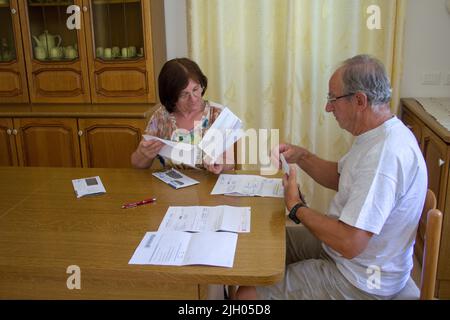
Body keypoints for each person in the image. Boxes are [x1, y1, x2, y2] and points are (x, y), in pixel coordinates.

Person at [235, 54, 427, 299]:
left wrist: (296, 207)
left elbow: (350, 242)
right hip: (346, 254)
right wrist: (302, 156)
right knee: (261, 245)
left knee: (246, 296)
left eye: (333, 99)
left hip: (359, 279)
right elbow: (341, 177)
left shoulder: (385, 156)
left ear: (359, 100)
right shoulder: (377, 134)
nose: (328, 107)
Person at [131, 58, 235, 173]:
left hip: (208, 186)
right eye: (184, 94)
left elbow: (229, 162)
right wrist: (142, 154)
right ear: (170, 96)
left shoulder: (218, 114)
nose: (193, 98)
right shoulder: (161, 116)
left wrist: (219, 163)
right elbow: (138, 164)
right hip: (171, 187)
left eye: (195, 89)